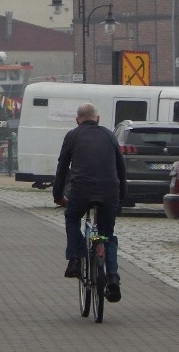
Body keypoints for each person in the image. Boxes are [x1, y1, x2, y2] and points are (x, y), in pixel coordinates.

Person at [53, 103, 126, 303]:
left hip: (81, 192)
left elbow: (61, 168)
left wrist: (58, 196)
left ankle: (76, 259)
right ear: (98, 118)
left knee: (72, 218)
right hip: (109, 192)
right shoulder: (110, 136)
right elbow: (121, 168)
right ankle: (112, 278)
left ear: (77, 120)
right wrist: (122, 197)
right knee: (106, 235)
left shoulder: (72, 135)